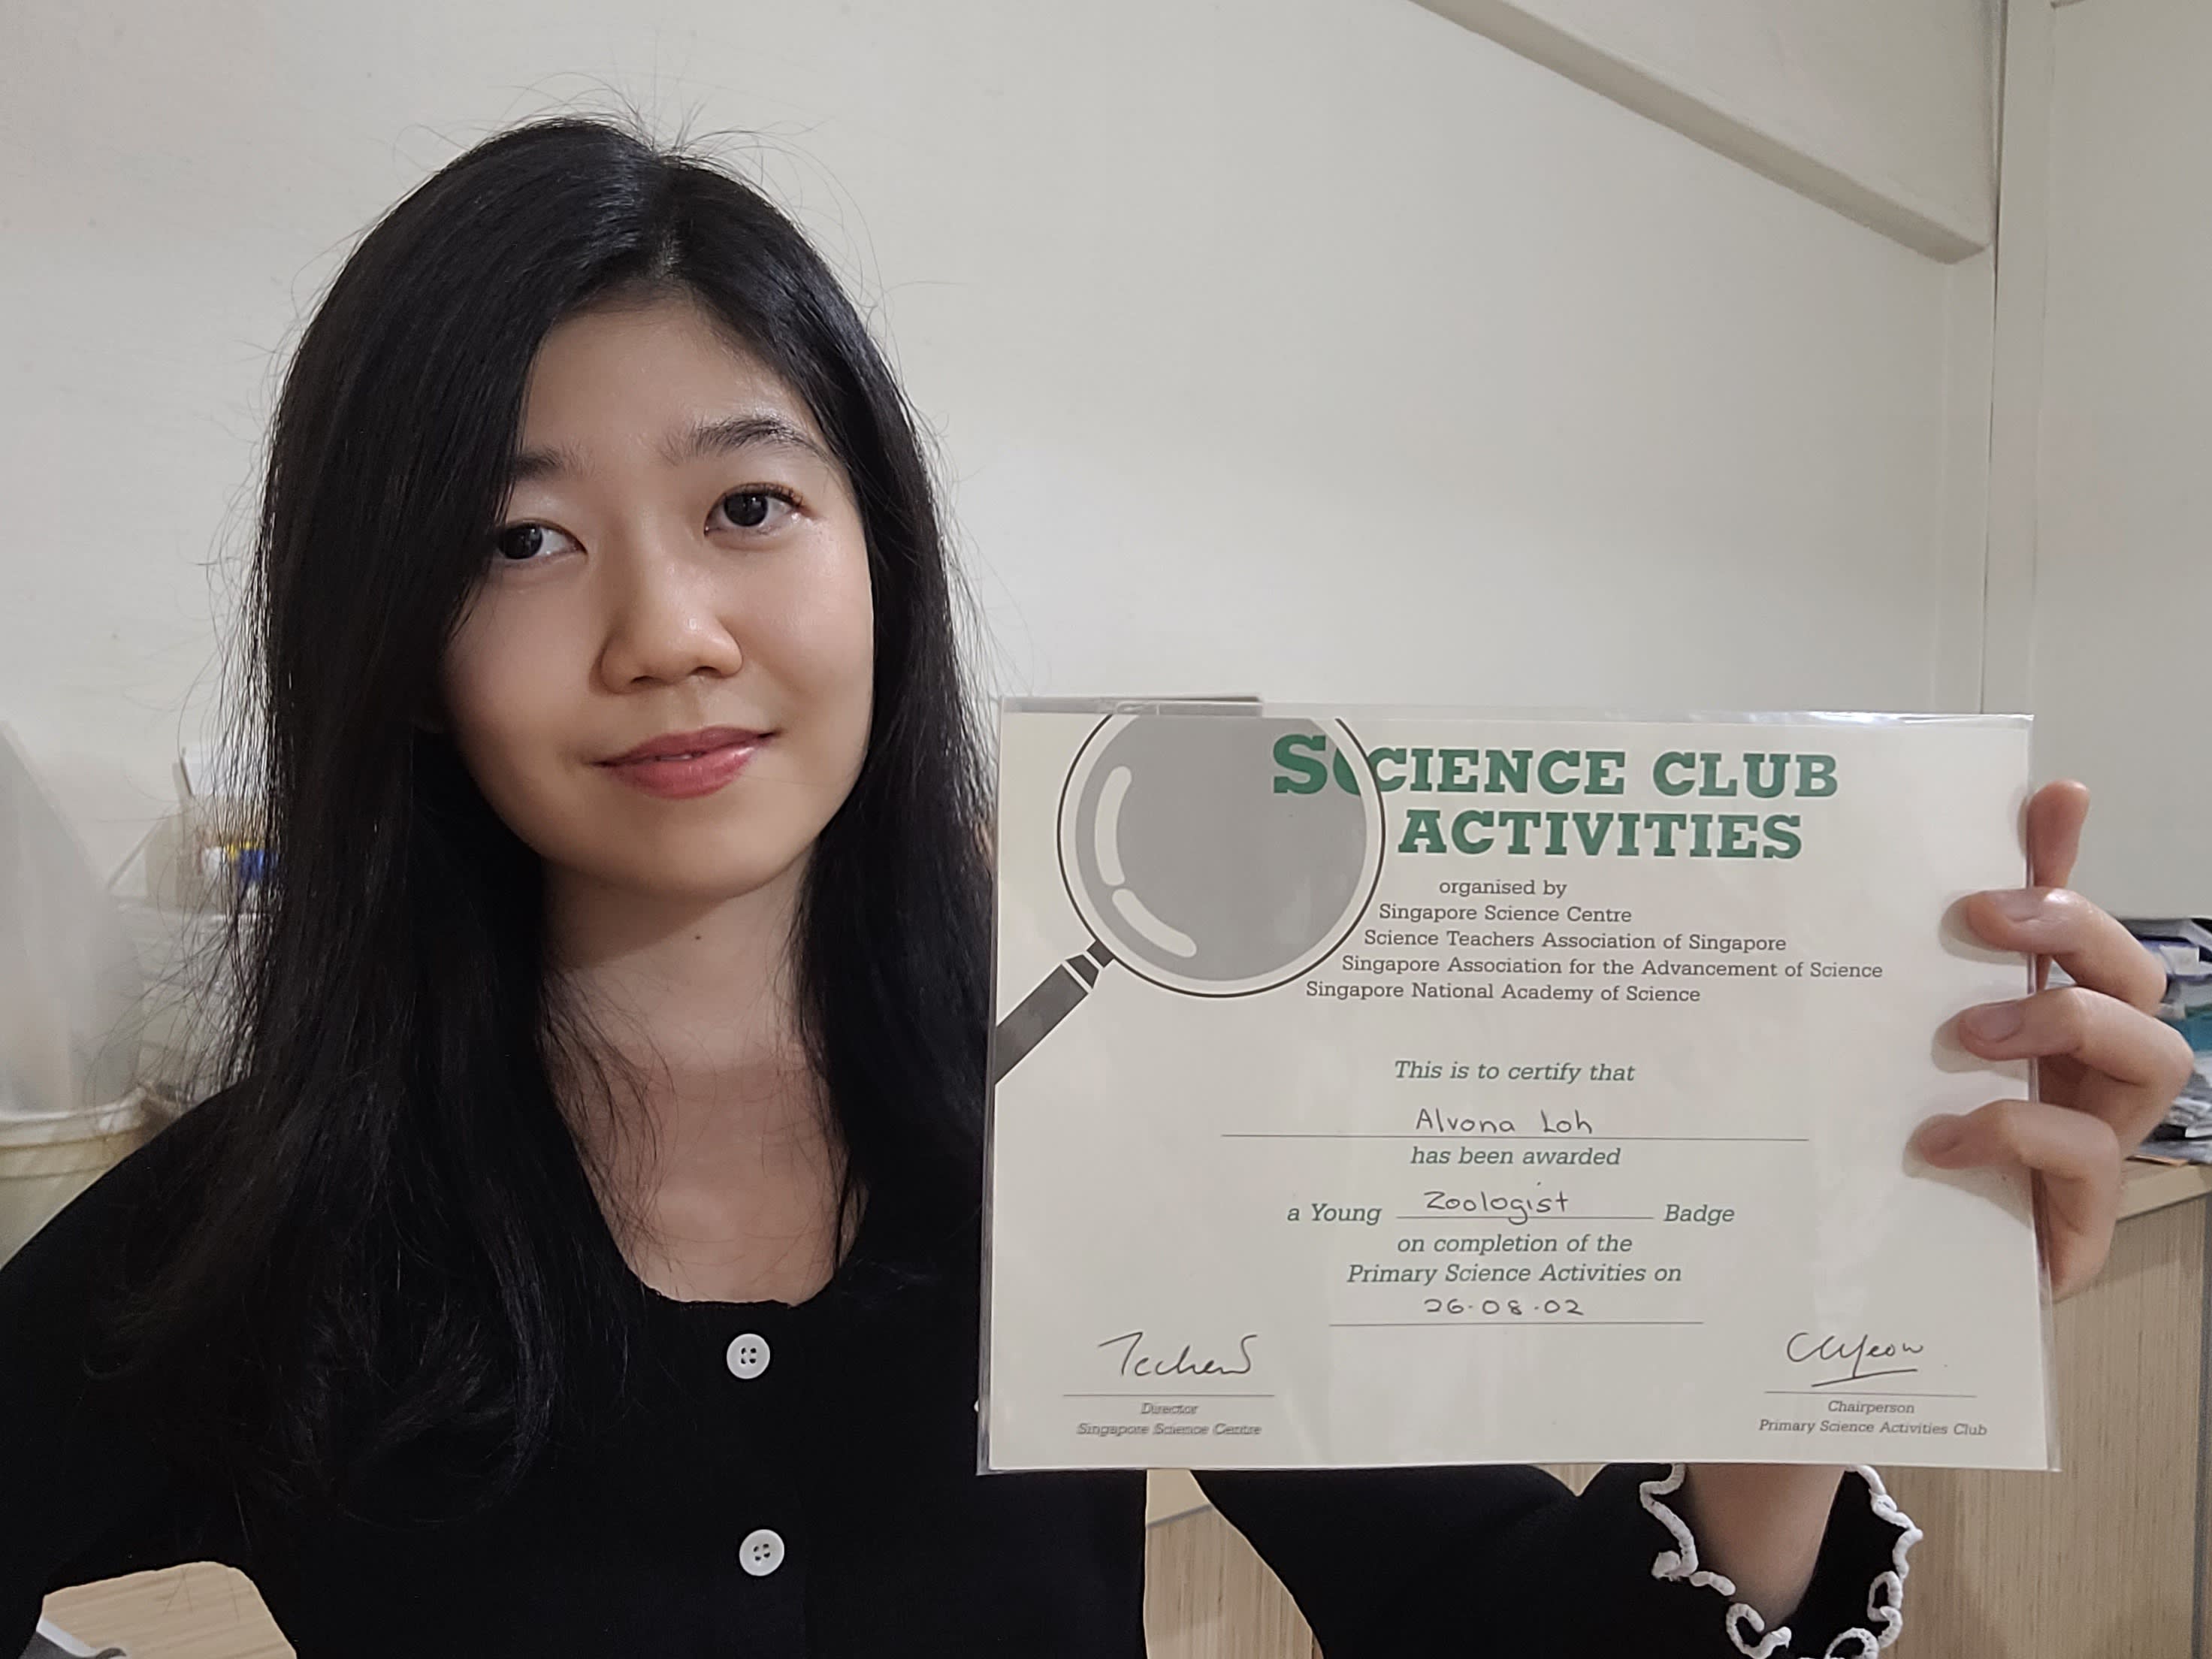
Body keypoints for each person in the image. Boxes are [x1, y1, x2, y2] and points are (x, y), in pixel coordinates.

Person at [0, 115, 2192, 1658]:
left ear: (880, 553)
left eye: (749, 506)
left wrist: (1803, 1330)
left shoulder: (1131, 1124)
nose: (667, 629)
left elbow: (1488, 1618)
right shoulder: (278, 1220)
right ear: (395, 641)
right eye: (521, 540)